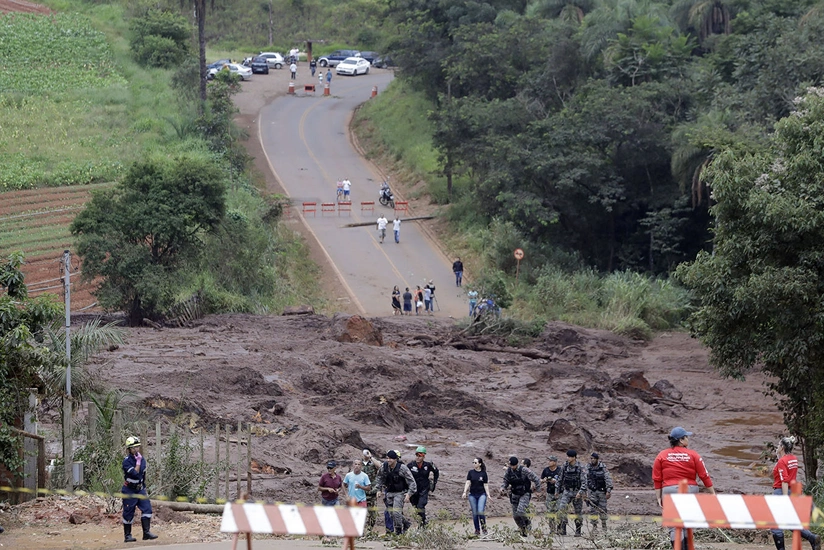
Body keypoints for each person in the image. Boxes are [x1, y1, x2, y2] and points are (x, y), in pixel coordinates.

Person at [653, 427, 715, 548]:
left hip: (669, 490)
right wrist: (712, 493)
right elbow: (704, 475)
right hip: (689, 490)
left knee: (673, 525)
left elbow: (657, 478)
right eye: (686, 437)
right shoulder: (694, 455)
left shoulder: (661, 455)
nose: (688, 439)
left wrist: (659, 497)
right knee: (687, 523)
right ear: (681, 440)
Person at [769, 436, 821, 550]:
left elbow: (784, 481)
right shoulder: (793, 458)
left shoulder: (782, 461)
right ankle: (812, 538)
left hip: (781, 492)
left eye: (778, 445)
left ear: (782, 447)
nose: (777, 447)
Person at [121, 436, 158, 542]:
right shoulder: (127, 462)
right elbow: (135, 473)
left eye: (138, 447)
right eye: (134, 447)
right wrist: (137, 462)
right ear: (129, 449)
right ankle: (127, 536)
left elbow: (142, 474)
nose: (136, 449)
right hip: (129, 490)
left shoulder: (142, 459)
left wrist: (144, 487)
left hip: (140, 489)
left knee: (147, 509)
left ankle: (146, 533)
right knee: (128, 512)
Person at [376, 450, 417, 537]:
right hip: (389, 492)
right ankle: (406, 523)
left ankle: (398, 531)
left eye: (390, 458)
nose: (388, 460)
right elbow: (379, 477)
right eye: (387, 458)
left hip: (400, 493)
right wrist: (378, 489)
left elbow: (412, 482)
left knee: (396, 512)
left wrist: (409, 494)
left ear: (395, 459)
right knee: (391, 513)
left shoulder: (402, 468)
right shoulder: (384, 467)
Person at [500, 455, 541, 538]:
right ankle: (522, 529)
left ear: (516, 464)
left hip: (524, 493)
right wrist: (502, 487)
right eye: (510, 465)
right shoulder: (509, 471)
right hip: (514, 494)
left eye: (513, 466)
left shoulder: (524, 470)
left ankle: (527, 523)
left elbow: (536, 478)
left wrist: (538, 490)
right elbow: (506, 480)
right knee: (515, 515)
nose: (512, 467)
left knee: (521, 511)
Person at [407, 446, 439, 528]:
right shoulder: (410, 465)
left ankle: (422, 524)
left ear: (424, 456)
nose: (418, 457)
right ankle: (423, 522)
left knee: (421, 506)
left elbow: (436, 472)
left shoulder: (428, 465)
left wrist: (434, 483)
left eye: (420, 455)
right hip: (413, 490)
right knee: (416, 507)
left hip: (424, 489)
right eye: (417, 455)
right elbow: (404, 475)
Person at [556, 449, 586, 537]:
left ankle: (578, 530)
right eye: (567, 456)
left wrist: (580, 492)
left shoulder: (580, 467)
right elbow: (560, 479)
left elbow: (584, 481)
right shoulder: (565, 466)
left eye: (569, 457)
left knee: (578, 512)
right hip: (567, 491)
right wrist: (557, 491)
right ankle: (563, 528)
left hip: (577, 492)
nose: (568, 458)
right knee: (562, 509)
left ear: (574, 458)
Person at [463, 457, 490, 537]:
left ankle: (484, 528)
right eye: (473, 462)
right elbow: (468, 482)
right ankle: (477, 530)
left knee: (480, 511)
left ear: (479, 464)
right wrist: (464, 492)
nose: (474, 464)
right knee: (475, 513)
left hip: (482, 494)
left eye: (475, 463)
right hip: (472, 495)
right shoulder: (471, 472)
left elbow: (486, 485)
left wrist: (488, 495)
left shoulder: (483, 474)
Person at [587, 452, 613, 532]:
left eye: (593, 458)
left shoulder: (603, 467)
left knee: (603, 509)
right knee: (593, 510)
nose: (592, 460)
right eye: (591, 458)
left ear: (597, 459)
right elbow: (585, 479)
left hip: (601, 492)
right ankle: (594, 527)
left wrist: (608, 490)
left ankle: (604, 526)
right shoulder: (588, 467)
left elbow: (608, 478)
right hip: (592, 492)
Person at [361, 450, 382, 533]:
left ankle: (369, 530)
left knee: (372, 513)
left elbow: (380, 466)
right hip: (361, 492)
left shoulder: (373, 462)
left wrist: (371, 457)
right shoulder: (359, 463)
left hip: (372, 491)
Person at [541, 455, 561, 530]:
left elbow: (563, 480)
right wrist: (544, 480)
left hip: (559, 493)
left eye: (550, 461)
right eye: (549, 461)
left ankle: (560, 528)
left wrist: (556, 481)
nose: (549, 462)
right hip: (550, 492)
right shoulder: (546, 470)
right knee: (550, 511)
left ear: (555, 462)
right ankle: (552, 528)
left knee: (559, 510)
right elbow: (541, 480)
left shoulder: (560, 470)